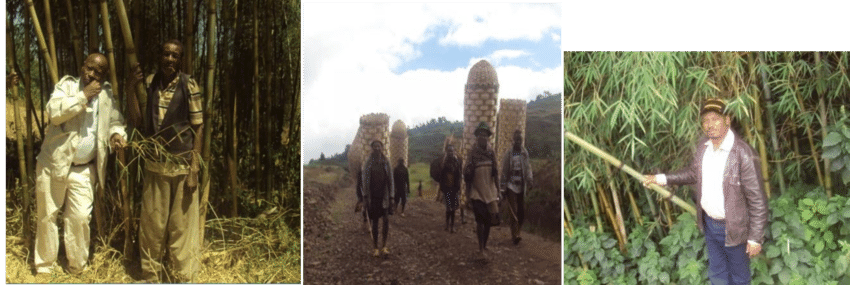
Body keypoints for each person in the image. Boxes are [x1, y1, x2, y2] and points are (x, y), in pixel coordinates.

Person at [643, 98, 769, 285]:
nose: (709, 125)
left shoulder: (743, 153)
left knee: (739, 278)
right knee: (717, 275)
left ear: (727, 119)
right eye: (705, 120)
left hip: (734, 228)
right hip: (710, 224)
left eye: (715, 119)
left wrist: (755, 238)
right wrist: (660, 179)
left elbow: (757, 200)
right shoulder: (704, 148)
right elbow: (692, 173)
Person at [34, 53, 127, 275]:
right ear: (82, 66)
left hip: (85, 168)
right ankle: (45, 267)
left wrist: (116, 134)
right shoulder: (66, 87)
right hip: (53, 164)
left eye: (98, 71)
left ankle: (76, 267)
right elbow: (54, 113)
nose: (92, 74)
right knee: (47, 215)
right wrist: (83, 96)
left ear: (103, 76)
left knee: (80, 218)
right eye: (89, 68)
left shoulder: (105, 95)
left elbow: (114, 120)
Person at [126, 39, 204, 282]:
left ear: (181, 59)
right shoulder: (149, 83)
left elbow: (198, 128)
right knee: (152, 228)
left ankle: (184, 277)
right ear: (159, 56)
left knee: (182, 228)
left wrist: (194, 168)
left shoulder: (189, 84)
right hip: (155, 167)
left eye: (175, 55)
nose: (170, 59)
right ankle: (151, 276)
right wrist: (131, 89)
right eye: (166, 54)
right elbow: (139, 122)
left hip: (181, 168)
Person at [464, 122, 500, 258]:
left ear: (488, 137)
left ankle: (484, 245)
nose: (483, 138)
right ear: (477, 137)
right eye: (480, 135)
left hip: (490, 192)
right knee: (479, 221)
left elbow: (495, 173)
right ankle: (480, 248)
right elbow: (467, 175)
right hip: (477, 192)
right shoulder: (472, 154)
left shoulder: (491, 153)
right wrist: (468, 195)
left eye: (485, 135)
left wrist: (499, 191)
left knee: (489, 222)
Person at [361, 140, 395, 257]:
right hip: (373, 197)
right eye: (374, 146)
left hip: (384, 196)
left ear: (382, 147)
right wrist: (365, 197)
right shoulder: (368, 163)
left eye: (378, 146)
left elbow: (391, 180)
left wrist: (391, 197)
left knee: (386, 220)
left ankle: (384, 246)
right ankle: (375, 247)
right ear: (372, 148)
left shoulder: (386, 162)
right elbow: (365, 181)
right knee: (375, 222)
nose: (377, 148)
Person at [500, 130, 533, 245]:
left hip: (521, 186)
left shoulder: (524, 153)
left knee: (521, 212)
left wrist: (529, 180)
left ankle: (518, 231)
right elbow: (504, 171)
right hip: (511, 186)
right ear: (512, 141)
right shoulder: (508, 154)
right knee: (513, 211)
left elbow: (528, 167)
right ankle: (515, 235)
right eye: (516, 140)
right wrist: (503, 188)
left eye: (520, 140)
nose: (518, 142)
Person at [435, 137, 463, 233]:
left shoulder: (456, 162)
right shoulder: (444, 163)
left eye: (452, 151)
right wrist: (442, 188)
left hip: (454, 189)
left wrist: (458, 188)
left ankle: (451, 226)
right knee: (448, 208)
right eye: (449, 151)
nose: (451, 153)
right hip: (447, 188)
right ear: (447, 152)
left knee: (453, 209)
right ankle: (447, 225)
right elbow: (441, 176)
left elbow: (459, 175)